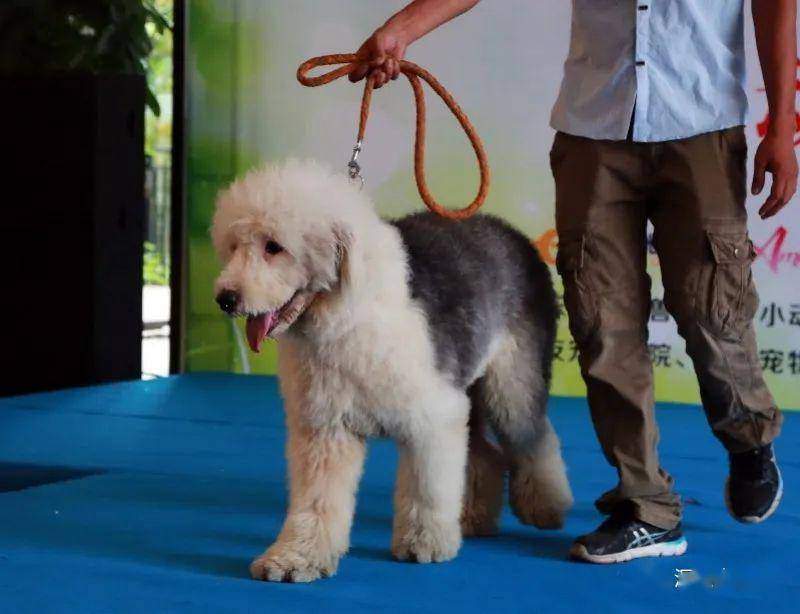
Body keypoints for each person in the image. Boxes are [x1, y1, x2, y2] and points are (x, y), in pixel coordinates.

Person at [351, 0, 797, 564]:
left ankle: (749, 436)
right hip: (595, 127)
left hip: (702, 122)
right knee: (601, 322)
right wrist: (401, 31)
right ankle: (646, 505)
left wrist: (780, 124)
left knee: (713, 311)